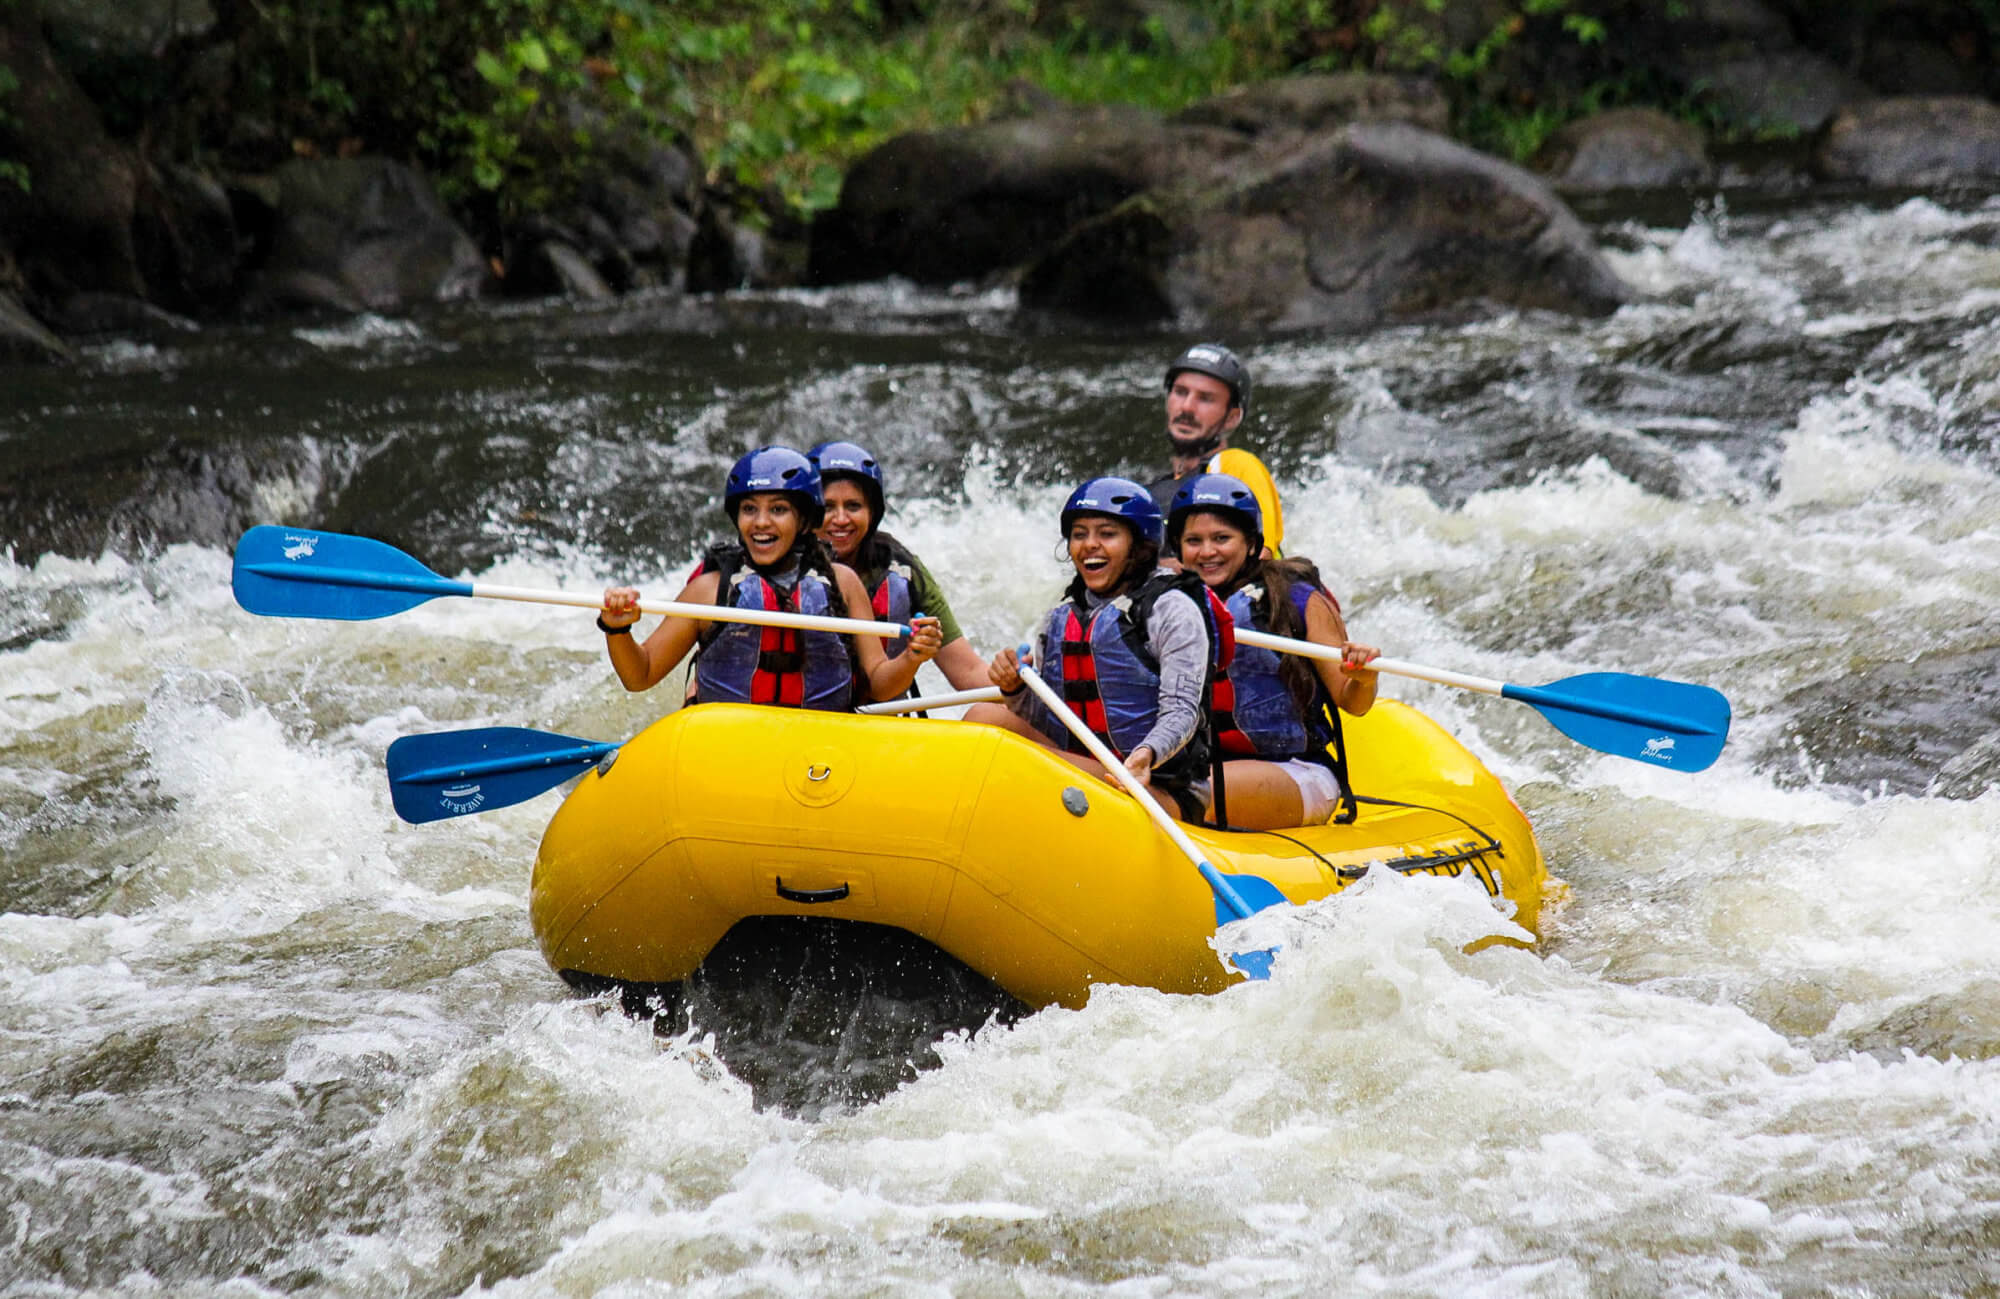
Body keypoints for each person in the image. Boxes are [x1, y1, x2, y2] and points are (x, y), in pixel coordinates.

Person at [597, 446, 943, 708]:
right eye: (750, 509)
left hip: (821, 749)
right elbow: (639, 675)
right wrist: (618, 628)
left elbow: (881, 685)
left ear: (805, 521)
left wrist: (912, 656)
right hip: (732, 744)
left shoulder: (843, 583)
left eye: (778, 509)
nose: (761, 522)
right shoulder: (708, 590)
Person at [965, 477, 1222, 821]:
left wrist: (1147, 754)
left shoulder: (1172, 609)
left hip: (1155, 784)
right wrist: (1015, 690)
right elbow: (1056, 726)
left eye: (1107, 534)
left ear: (1139, 545)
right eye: (1080, 534)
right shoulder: (1060, 617)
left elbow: (1183, 711)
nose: (1090, 545)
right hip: (1088, 768)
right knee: (985, 716)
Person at [1168, 472, 1379, 830]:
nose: (1207, 552)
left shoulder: (1295, 598)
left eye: (1222, 538)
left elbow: (1353, 703)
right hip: (1204, 767)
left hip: (1297, 772)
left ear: (1251, 543)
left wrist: (1363, 677)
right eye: (1194, 541)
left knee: (1172, 791)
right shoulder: (1169, 605)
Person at [807, 440, 989, 692]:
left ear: (872, 513)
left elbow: (968, 672)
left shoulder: (900, 570)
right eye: (827, 507)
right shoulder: (777, 572)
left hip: (880, 717)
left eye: (853, 506)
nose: (840, 519)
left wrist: (1014, 683)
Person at [1145, 342, 1260, 508]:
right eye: (1180, 392)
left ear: (1232, 417)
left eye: (1205, 398)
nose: (1187, 407)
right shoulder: (1153, 487)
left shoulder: (1241, 468)